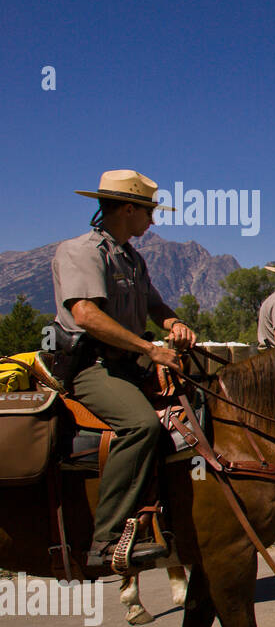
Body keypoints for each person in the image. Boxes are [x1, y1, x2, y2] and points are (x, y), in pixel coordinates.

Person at [53, 169, 195, 569]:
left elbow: (155, 305)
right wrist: (149, 348)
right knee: (141, 425)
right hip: (90, 366)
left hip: (127, 363)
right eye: (148, 212)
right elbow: (85, 315)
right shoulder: (80, 250)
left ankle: (168, 520)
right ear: (129, 209)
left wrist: (173, 323)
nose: (152, 221)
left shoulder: (132, 258)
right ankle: (106, 538)